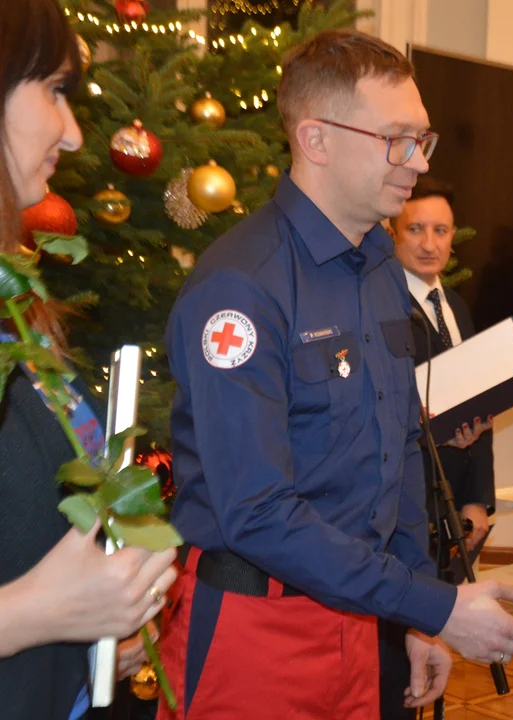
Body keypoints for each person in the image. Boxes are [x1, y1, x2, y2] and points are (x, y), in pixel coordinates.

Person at [156, 29, 513, 720]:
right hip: (256, 629)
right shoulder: (241, 287)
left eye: (423, 140)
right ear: (316, 140)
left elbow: (396, 450)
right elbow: (258, 512)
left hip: (362, 621)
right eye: (397, 139)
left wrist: (415, 616)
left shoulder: (377, 270)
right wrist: (436, 606)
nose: (418, 163)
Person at [0, 2, 179, 718]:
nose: (73, 134)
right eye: (54, 90)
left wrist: (99, 619)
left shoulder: (16, 295)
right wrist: (36, 613)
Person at [380, 176, 496, 719]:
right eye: (417, 229)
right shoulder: (380, 302)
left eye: (441, 230)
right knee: (397, 661)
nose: (429, 243)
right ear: (392, 230)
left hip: (451, 508)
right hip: (405, 506)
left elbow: (481, 410)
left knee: (434, 645)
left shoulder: (456, 305)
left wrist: (480, 502)